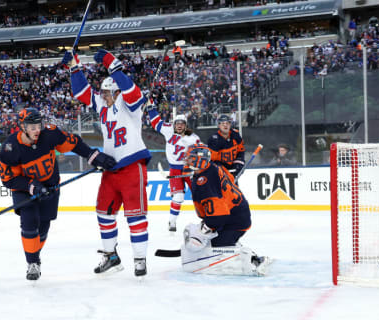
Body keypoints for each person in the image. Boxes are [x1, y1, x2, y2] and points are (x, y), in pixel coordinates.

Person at [0, 107, 116, 281]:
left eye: (39, 125)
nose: (37, 130)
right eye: (32, 127)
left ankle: (34, 255)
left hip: (50, 187)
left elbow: (74, 143)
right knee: (29, 221)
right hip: (25, 190)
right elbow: (8, 179)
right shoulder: (10, 148)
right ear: (22, 127)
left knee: (44, 225)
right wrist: (31, 186)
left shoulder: (49, 135)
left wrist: (92, 155)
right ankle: (33, 263)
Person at [63, 49, 151, 277]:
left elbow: (131, 89)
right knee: (104, 212)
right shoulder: (102, 104)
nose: (102, 96)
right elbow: (82, 93)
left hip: (132, 167)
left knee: (135, 216)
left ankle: (140, 260)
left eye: (106, 92)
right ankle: (111, 256)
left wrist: (111, 62)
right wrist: (74, 67)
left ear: (116, 91)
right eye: (101, 92)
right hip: (111, 170)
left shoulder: (129, 103)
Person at [181, 143, 271, 275]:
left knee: (214, 245)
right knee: (212, 240)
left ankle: (254, 261)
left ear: (199, 159)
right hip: (234, 214)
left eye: (190, 157)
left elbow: (218, 215)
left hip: (234, 219)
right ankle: (241, 250)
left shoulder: (205, 180)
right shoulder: (213, 168)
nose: (186, 160)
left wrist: (207, 228)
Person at [146, 102, 201, 232]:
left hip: (189, 169)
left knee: (199, 195)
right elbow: (155, 122)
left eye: (182, 123)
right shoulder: (168, 130)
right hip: (175, 169)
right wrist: (151, 108)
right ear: (174, 124)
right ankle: (172, 221)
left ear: (186, 125)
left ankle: (206, 219)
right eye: (177, 123)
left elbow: (202, 154)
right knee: (178, 197)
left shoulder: (193, 138)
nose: (180, 125)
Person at [208, 114, 245, 180]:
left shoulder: (236, 135)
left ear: (230, 124)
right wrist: (221, 170)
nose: (225, 125)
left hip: (232, 171)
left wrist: (239, 164)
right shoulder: (214, 140)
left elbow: (241, 151)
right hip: (219, 174)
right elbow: (212, 160)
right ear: (219, 125)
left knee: (234, 190)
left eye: (227, 123)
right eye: (223, 123)